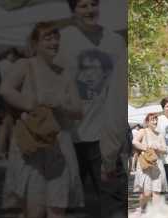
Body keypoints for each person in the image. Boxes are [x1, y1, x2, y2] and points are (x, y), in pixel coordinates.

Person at [0, 22, 84, 218]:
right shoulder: (24, 65)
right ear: (35, 43)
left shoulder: (64, 73)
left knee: (57, 207)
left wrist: (62, 105)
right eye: (47, 38)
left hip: (59, 145)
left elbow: (78, 110)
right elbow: (5, 89)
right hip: (31, 144)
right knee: (32, 211)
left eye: (56, 38)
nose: (54, 43)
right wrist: (31, 104)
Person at [54, 0, 127, 201]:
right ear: (73, 10)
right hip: (68, 134)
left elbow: (120, 89)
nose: (90, 10)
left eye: (93, 4)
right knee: (65, 202)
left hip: (103, 135)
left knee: (112, 200)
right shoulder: (61, 39)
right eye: (83, 6)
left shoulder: (114, 41)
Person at [132, 113, 167, 209]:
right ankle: (141, 208)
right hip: (146, 164)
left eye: (156, 119)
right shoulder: (143, 131)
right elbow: (134, 142)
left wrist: (158, 148)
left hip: (157, 165)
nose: (155, 121)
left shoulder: (160, 134)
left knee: (156, 191)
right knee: (147, 193)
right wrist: (146, 148)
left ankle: (155, 216)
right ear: (147, 122)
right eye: (152, 119)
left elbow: (165, 150)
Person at [0, 48, 21, 160]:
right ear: (11, 54)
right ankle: (3, 150)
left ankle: (3, 150)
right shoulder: (10, 65)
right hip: (8, 98)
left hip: (0, 98)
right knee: (7, 124)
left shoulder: (0, 64)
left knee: (5, 125)